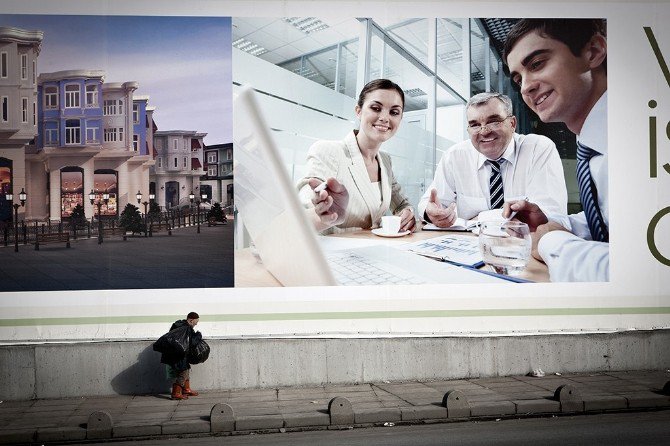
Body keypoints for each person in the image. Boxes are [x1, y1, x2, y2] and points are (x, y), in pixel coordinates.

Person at [503, 19, 608, 282]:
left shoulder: (642, 138)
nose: (525, 87)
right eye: (518, 79)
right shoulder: (592, 145)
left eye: (537, 64)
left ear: (593, 52)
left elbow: (646, 273)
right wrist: (548, 224)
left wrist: (551, 240)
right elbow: (611, 222)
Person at [417, 92, 567, 227]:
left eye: (493, 121)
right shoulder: (455, 156)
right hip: (468, 247)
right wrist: (430, 213)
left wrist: (481, 218)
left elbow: (551, 214)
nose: (484, 131)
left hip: (523, 247)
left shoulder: (538, 149)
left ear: (512, 123)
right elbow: (429, 203)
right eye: (474, 125)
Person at [297, 79, 415, 233]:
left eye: (394, 112)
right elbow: (302, 213)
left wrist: (408, 214)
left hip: (374, 252)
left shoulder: (385, 161)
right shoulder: (328, 151)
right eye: (376, 108)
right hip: (331, 253)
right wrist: (324, 213)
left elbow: (402, 204)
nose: (385, 118)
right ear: (358, 111)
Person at [160, 311, 201, 400]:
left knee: (186, 370)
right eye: (196, 322)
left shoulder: (178, 326)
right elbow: (192, 343)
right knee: (183, 373)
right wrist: (198, 336)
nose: (196, 324)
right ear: (191, 320)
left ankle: (186, 389)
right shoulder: (186, 328)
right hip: (179, 356)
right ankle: (176, 393)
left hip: (174, 354)